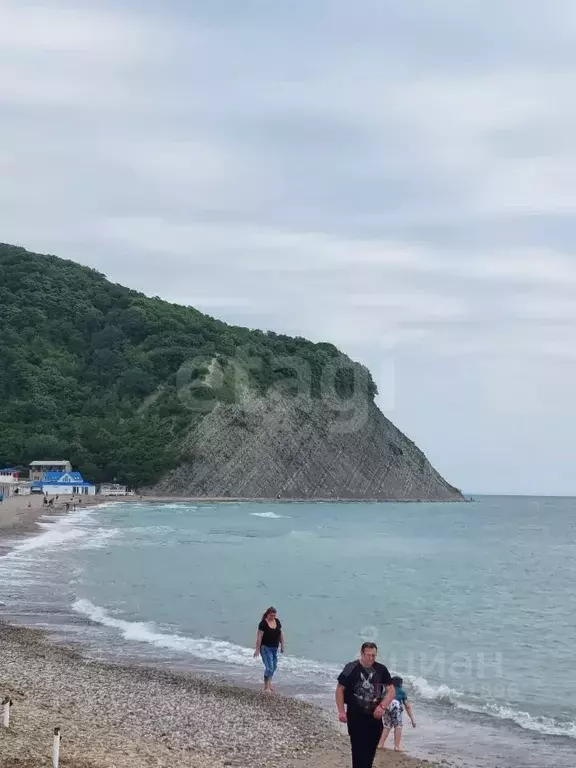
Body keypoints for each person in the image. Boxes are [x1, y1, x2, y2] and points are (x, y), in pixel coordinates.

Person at [336, 642, 394, 768]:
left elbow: (391, 690)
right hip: (356, 716)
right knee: (358, 751)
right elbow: (340, 689)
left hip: (375, 717)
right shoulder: (350, 668)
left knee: (370, 751)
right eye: (368, 655)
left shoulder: (381, 669)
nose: (371, 658)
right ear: (362, 654)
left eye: (374, 655)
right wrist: (341, 711)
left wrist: (382, 706)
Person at [378, 675, 416, 752]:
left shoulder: (387, 691)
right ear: (400, 684)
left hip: (387, 706)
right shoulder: (402, 692)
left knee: (387, 726)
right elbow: (407, 706)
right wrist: (412, 719)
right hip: (396, 706)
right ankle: (397, 746)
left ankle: (380, 744)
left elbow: (381, 700)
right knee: (398, 726)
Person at [253, 606, 284, 693]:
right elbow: (259, 637)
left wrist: (282, 646)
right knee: (269, 667)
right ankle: (266, 687)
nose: (273, 617)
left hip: (275, 648)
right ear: (267, 615)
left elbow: (281, 634)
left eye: (274, 615)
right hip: (265, 648)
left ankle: (269, 685)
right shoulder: (263, 624)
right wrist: (257, 650)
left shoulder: (277, 621)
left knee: (274, 667)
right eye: (271, 615)